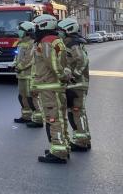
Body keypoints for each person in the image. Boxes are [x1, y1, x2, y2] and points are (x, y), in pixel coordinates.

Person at [33, 14, 72, 164]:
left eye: (37, 27)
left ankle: (58, 152)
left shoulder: (47, 42)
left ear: (44, 26)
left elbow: (53, 64)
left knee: (53, 118)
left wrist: (62, 76)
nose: (35, 30)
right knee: (60, 118)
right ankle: (63, 146)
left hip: (50, 86)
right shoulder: (55, 40)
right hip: (55, 86)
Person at [58, 17, 91, 152]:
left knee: (77, 113)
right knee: (76, 112)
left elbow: (82, 61)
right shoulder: (69, 43)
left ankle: (81, 142)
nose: (59, 33)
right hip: (75, 84)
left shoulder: (73, 44)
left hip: (77, 84)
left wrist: (74, 75)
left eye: (61, 30)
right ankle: (83, 139)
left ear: (69, 30)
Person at [13, 21, 37, 124]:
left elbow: (29, 59)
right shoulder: (21, 43)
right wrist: (14, 64)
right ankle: (26, 116)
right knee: (22, 97)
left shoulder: (32, 43)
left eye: (20, 30)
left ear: (27, 32)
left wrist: (19, 67)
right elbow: (17, 56)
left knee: (31, 97)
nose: (18, 32)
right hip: (21, 75)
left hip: (29, 75)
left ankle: (37, 119)